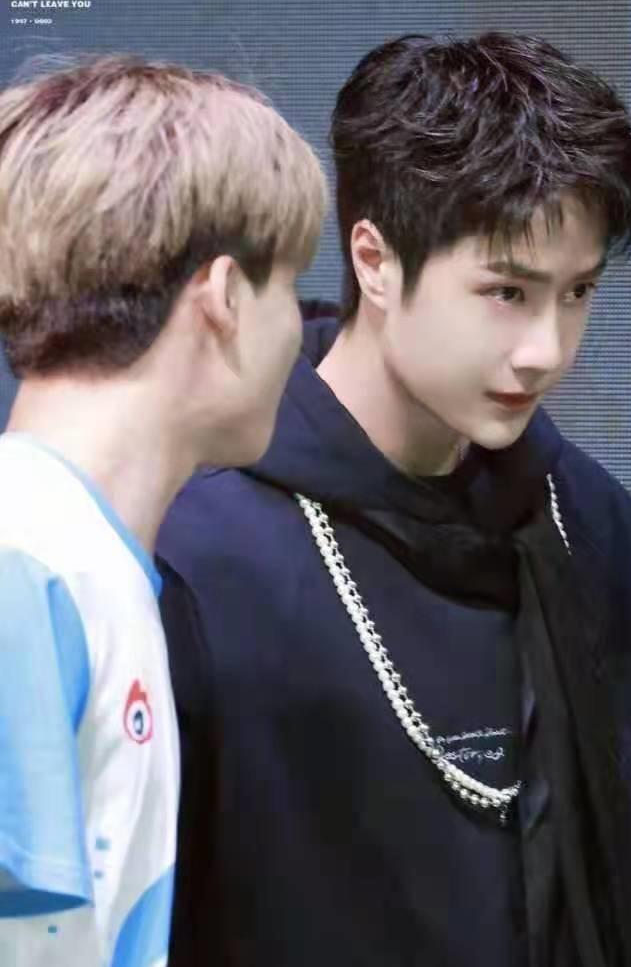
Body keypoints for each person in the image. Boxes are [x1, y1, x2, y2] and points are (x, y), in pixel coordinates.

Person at [157, 33, 631, 967]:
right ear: (374, 259)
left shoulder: (585, 523)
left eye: (578, 292)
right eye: (506, 291)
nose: (547, 349)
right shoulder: (201, 550)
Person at [0, 54, 327, 967]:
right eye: (289, 287)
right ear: (224, 297)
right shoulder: (28, 559)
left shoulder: (83, 562)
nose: (301, 331)